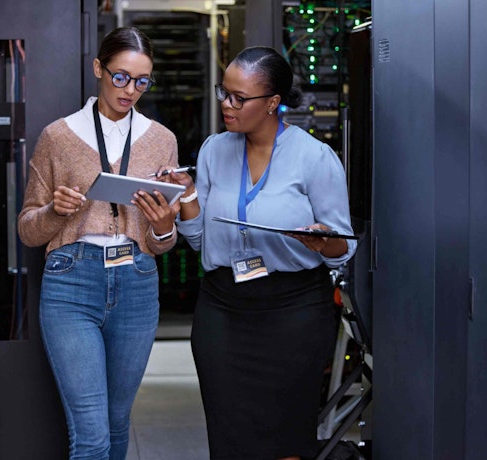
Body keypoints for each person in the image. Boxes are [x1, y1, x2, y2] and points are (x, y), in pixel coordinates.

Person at [164, 46, 358, 459]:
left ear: (272, 103)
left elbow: (343, 249)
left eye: (239, 98)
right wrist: (187, 197)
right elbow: (200, 240)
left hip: (293, 312)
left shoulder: (314, 157)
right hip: (222, 308)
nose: (227, 105)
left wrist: (324, 241)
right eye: (224, 93)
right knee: (229, 433)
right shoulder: (215, 150)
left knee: (287, 435)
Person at [17, 27, 180, 460]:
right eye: (121, 77)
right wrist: (55, 211)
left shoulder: (161, 139)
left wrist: (164, 226)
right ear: (98, 69)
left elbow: (163, 242)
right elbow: (28, 230)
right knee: (90, 432)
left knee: (116, 421)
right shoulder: (58, 136)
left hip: (137, 283)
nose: (131, 90)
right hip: (72, 282)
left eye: (142, 81)